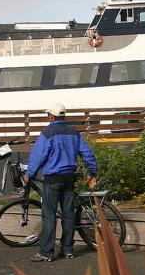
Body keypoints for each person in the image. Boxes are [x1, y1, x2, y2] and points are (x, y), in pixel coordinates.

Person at [24, 103, 98, 262]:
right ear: (63, 116)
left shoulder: (47, 132)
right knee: (68, 214)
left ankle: (46, 252)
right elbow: (87, 153)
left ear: (51, 116)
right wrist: (93, 173)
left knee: (49, 215)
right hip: (69, 178)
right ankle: (68, 250)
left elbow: (39, 156)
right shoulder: (74, 132)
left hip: (53, 179)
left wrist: (29, 174)